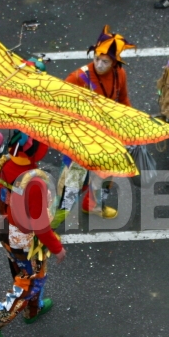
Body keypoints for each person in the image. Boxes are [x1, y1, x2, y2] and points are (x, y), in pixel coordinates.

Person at [0, 133, 67, 337]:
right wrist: (57, 248)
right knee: (30, 282)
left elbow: (4, 197)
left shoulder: (5, 162)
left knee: (28, 271)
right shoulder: (34, 181)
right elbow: (40, 225)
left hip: (5, 228)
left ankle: (33, 310)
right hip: (25, 239)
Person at [55, 26, 133, 220]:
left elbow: (123, 101)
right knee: (72, 182)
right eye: (97, 58)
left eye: (105, 61)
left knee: (106, 176)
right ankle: (57, 216)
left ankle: (92, 205)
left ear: (114, 62)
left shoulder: (120, 74)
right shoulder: (79, 77)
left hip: (107, 136)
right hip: (81, 139)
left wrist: (130, 125)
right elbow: (59, 102)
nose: (99, 64)